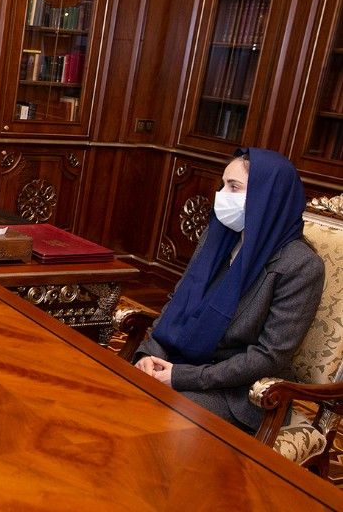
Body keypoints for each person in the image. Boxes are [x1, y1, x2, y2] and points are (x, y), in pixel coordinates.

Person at [132, 148, 325, 432]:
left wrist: (182, 377)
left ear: (267, 197)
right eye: (222, 185)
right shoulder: (218, 237)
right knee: (121, 390)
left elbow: (268, 356)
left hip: (239, 394)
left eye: (234, 187)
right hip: (178, 364)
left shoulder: (301, 266)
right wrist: (148, 355)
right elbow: (178, 304)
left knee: (154, 415)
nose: (221, 196)